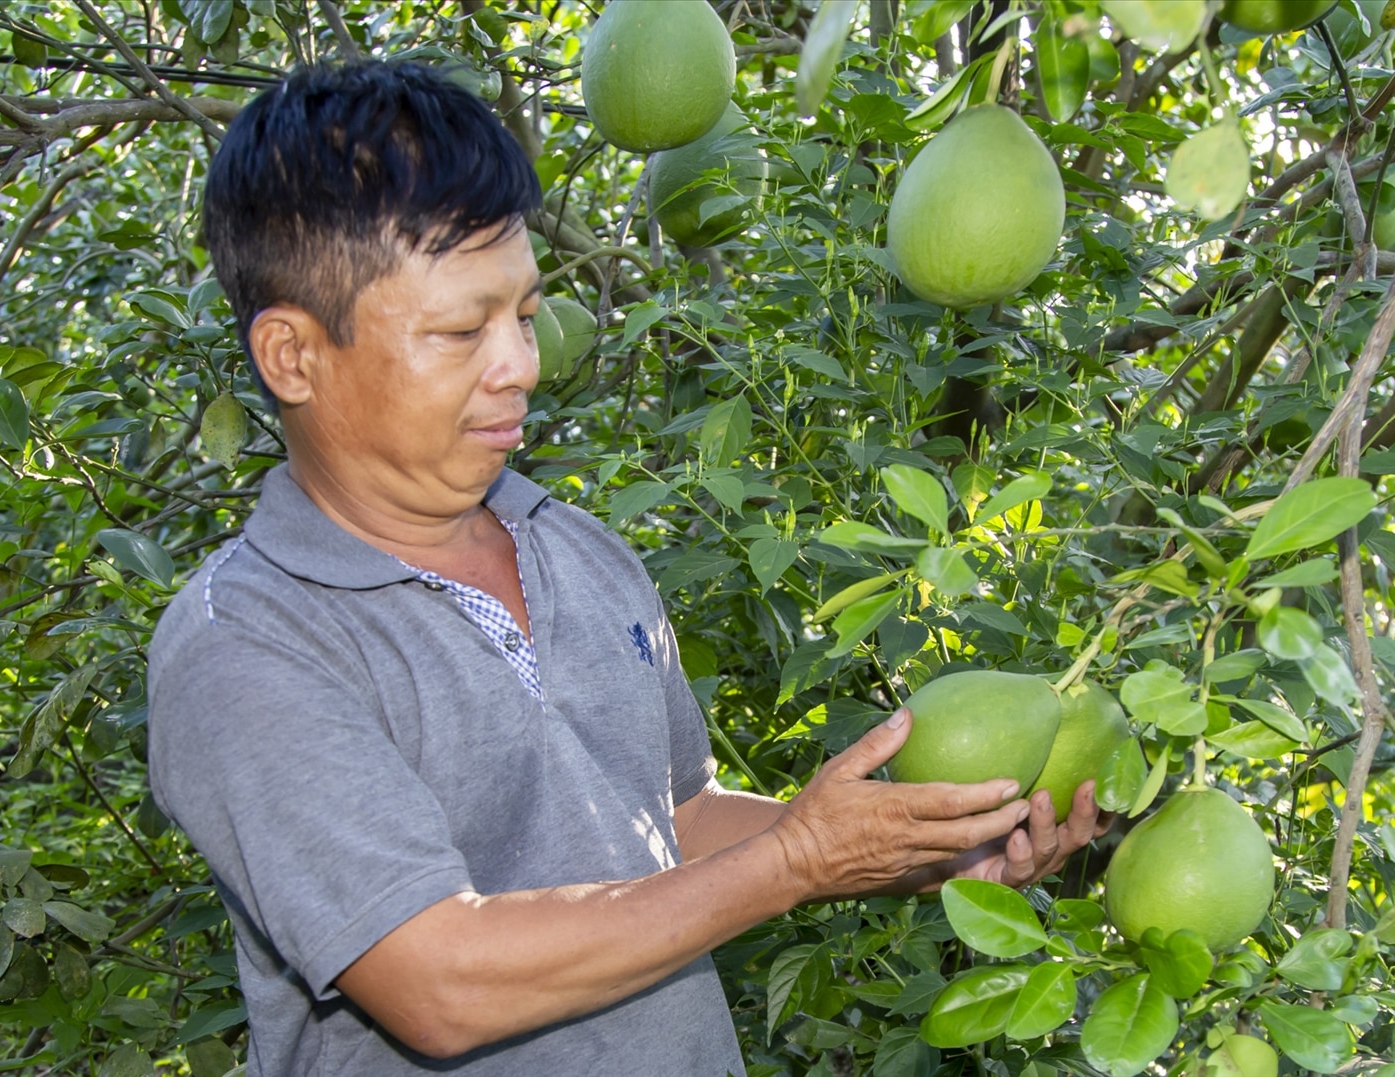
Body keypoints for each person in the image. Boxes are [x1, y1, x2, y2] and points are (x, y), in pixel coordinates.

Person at [147, 61, 1108, 1076]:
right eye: (462, 330)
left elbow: (674, 820)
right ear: (292, 355)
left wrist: (907, 847)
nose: (519, 363)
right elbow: (438, 979)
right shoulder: (248, 642)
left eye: (523, 315)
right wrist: (799, 861)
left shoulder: (573, 547)